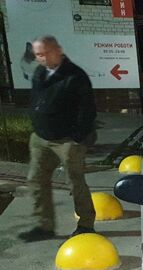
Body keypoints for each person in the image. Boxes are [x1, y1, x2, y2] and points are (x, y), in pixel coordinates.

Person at [18, 35, 97, 242]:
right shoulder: (40, 72)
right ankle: (44, 226)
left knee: (75, 181)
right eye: (38, 55)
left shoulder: (75, 76)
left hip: (66, 141)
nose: (42, 58)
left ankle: (86, 224)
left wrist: (77, 137)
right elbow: (38, 100)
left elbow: (87, 110)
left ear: (58, 50)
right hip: (40, 138)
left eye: (46, 53)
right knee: (36, 179)